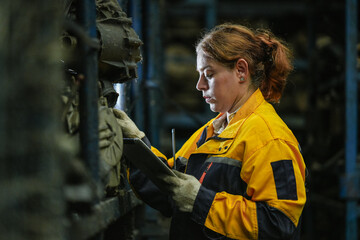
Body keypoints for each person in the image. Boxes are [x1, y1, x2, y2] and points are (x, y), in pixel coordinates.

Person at [115, 23, 307, 240]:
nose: (199, 85)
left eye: (209, 74)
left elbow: (280, 225)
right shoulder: (213, 131)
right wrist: (134, 143)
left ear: (241, 71)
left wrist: (201, 202)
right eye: (200, 74)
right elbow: (169, 188)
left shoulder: (270, 138)